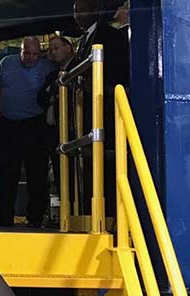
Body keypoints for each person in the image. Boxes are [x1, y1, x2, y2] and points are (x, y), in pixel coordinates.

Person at [72, 0, 130, 218]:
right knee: (90, 159)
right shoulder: (84, 40)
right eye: (75, 11)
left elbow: (119, 71)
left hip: (105, 110)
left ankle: (108, 213)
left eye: (82, 10)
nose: (77, 15)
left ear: (96, 11)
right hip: (88, 111)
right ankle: (91, 210)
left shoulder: (110, 36)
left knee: (105, 162)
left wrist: (101, 86)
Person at [0, 36, 54, 228]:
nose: (31, 58)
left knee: (37, 173)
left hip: (35, 125)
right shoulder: (6, 63)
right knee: (6, 173)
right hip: (7, 124)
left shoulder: (47, 68)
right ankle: (4, 217)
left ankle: (35, 218)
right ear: (20, 50)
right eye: (27, 53)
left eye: (36, 54)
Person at [39, 36, 76, 211]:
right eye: (50, 49)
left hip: (73, 129)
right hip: (54, 131)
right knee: (60, 171)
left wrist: (53, 93)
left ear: (69, 47)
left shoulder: (79, 68)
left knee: (73, 172)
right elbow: (41, 97)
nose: (53, 52)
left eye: (56, 47)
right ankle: (65, 210)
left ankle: (75, 208)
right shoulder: (52, 75)